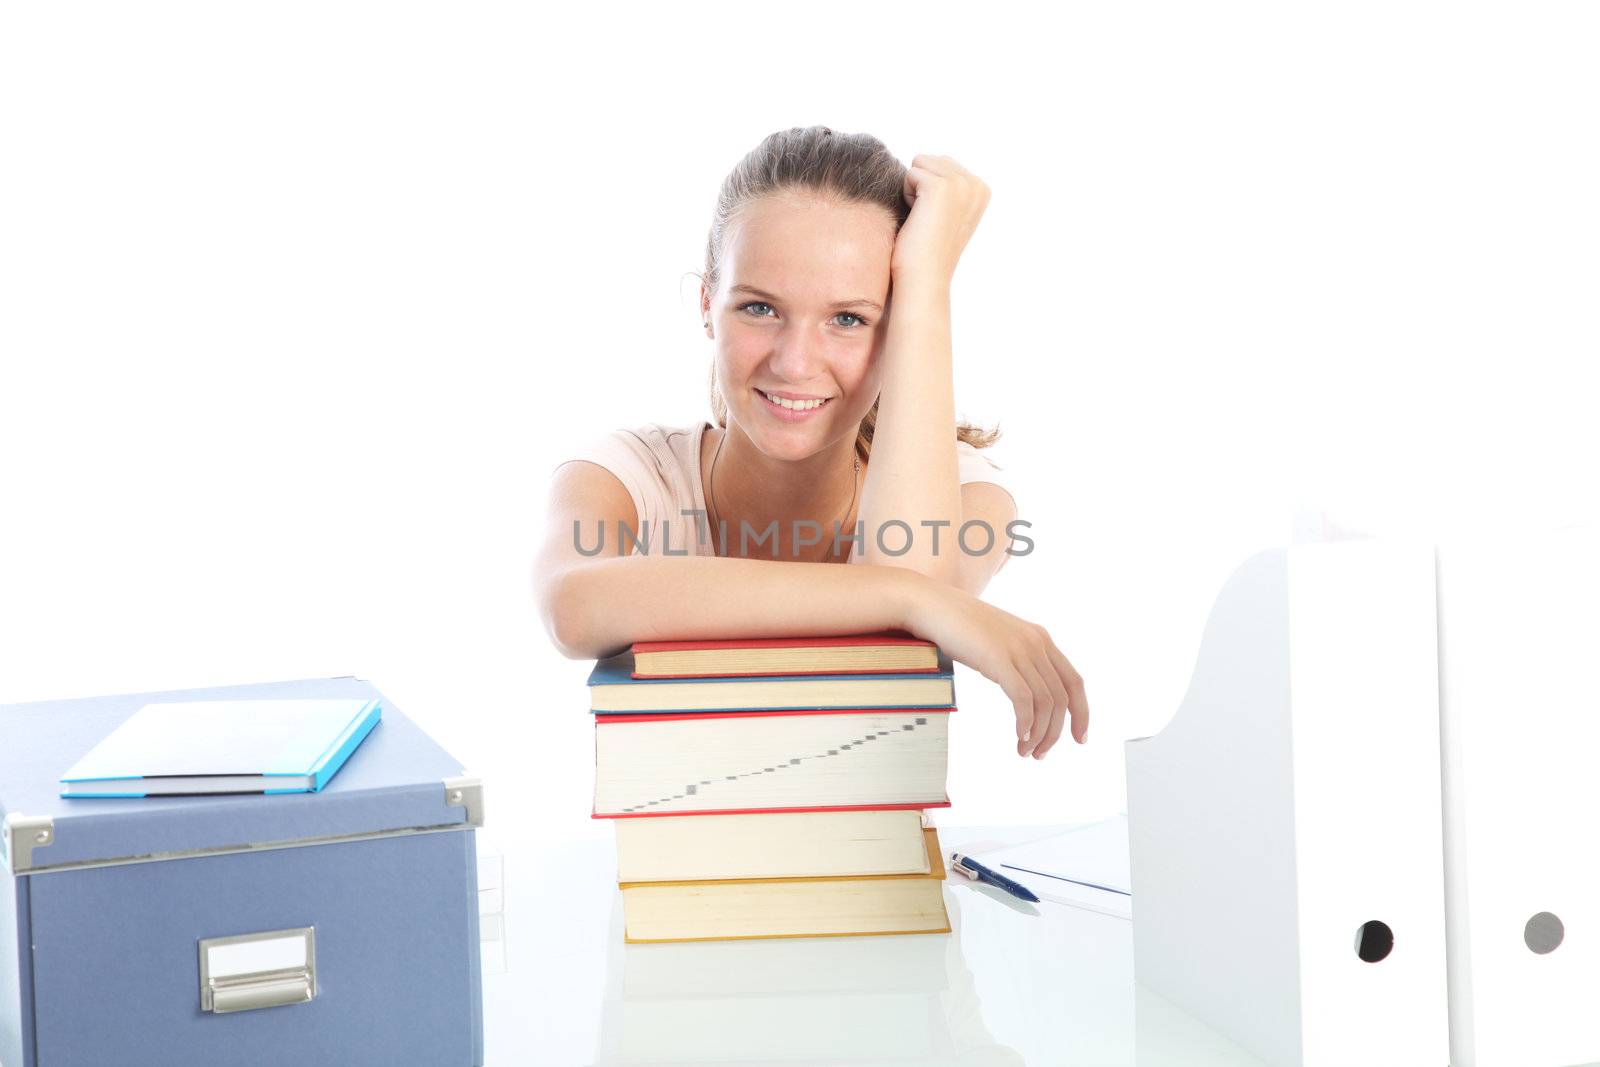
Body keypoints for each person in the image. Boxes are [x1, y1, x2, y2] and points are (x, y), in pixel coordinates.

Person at [534, 126, 1087, 759]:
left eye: (849, 319)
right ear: (708, 303)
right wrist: (909, 599)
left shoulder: (969, 491)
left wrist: (927, 284)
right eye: (759, 309)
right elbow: (572, 608)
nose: (795, 364)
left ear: (897, 331)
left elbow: (911, 584)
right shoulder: (627, 475)